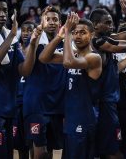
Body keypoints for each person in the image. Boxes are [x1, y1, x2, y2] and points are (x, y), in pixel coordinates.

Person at [0, 0, 41, 158]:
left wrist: (32, 45)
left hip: (8, 108)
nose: (2, 14)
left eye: (5, 10)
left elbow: (25, 70)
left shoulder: (8, 36)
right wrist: (12, 35)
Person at [39, 13, 102, 158]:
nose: (77, 36)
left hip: (84, 118)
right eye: (75, 32)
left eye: (83, 32)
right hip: (70, 118)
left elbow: (68, 63)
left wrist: (67, 32)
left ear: (92, 34)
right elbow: (43, 58)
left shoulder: (94, 57)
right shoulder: (72, 53)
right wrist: (60, 36)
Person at [90, 0, 126, 159]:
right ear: (95, 25)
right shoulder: (98, 42)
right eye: (107, 23)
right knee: (114, 153)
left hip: (108, 103)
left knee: (107, 150)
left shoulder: (104, 38)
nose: (111, 26)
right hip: (104, 104)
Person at [23, 6, 66, 159]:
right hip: (37, 104)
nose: (52, 22)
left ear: (60, 22)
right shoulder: (34, 40)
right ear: (41, 21)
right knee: (40, 152)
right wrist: (37, 33)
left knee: (53, 151)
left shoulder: (67, 42)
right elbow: (26, 61)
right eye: (48, 19)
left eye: (55, 19)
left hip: (58, 105)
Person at [14, 21, 37, 159]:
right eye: (23, 30)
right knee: (20, 145)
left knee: (33, 142)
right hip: (16, 102)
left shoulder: (37, 50)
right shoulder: (14, 49)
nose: (26, 33)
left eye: (29, 30)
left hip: (32, 103)